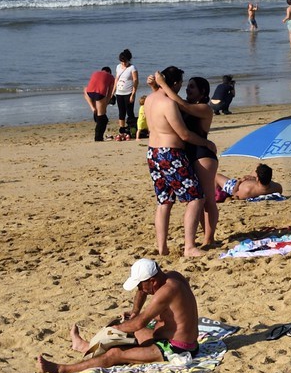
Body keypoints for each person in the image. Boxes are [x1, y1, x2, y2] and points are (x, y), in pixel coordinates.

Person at [38, 259, 200, 373]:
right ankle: (85, 346)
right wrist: (135, 310)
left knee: (115, 353)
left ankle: (62, 369)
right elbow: (142, 294)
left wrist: (113, 330)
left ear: (152, 281)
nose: (138, 289)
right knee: (130, 333)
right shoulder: (172, 276)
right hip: (171, 339)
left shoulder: (166, 292)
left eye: (139, 284)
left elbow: (138, 323)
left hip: (177, 349)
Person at [144, 66, 214, 257]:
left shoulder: (150, 99)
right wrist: (206, 142)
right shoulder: (169, 103)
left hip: (152, 153)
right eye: (182, 85)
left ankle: (162, 247)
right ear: (173, 84)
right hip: (170, 154)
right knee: (196, 198)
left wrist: (155, 86)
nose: (182, 89)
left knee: (164, 201)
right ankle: (189, 246)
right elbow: (184, 134)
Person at [216, 163, 281, 203]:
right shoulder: (278, 187)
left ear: (257, 178)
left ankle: (215, 195)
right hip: (255, 183)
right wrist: (253, 178)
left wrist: (239, 181)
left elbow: (234, 194)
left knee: (216, 176)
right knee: (258, 165)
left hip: (234, 186)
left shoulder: (247, 190)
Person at [112, 49, 139, 140]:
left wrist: (133, 94)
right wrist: (113, 91)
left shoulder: (132, 68)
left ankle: (132, 131)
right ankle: (122, 131)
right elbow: (116, 79)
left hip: (128, 92)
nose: (123, 63)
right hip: (119, 92)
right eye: (121, 61)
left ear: (128, 60)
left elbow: (135, 81)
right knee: (121, 112)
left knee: (130, 112)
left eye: (125, 61)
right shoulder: (118, 67)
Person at [84, 64, 114, 141]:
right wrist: (106, 103)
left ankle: (93, 108)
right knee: (102, 118)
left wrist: (93, 105)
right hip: (100, 93)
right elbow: (110, 93)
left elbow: (89, 87)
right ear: (109, 72)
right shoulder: (111, 77)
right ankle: (98, 137)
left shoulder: (95, 73)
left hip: (89, 93)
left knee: (85, 89)